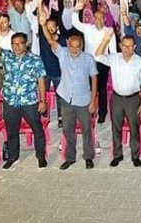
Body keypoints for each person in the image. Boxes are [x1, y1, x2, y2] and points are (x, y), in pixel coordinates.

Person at [40, 12, 98, 170]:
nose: (74, 49)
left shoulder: (88, 59)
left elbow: (94, 80)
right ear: (68, 45)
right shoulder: (63, 53)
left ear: (82, 46)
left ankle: (88, 157)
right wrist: (43, 24)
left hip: (84, 100)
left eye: (77, 47)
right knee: (67, 129)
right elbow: (50, 40)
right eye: (72, 46)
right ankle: (70, 157)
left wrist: (93, 102)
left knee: (86, 130)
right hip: (66, 99)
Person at [0, 20, 47, 170]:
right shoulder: (7, 57)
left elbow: (41, 81)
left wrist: (42, 101)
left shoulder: (35, 60)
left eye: (20, 43)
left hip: (29, 101)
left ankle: (40, 155)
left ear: (26, 44)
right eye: (13, 44)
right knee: (12, 131)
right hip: (10, 102)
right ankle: (13, 156)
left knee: (37, 130)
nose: (16, 46)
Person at [95, 33, 141, 167]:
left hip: (133, 99)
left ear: (134, 47)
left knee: (134, 128)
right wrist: (105, 40)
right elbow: (97, 56)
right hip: (117, 98)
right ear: (120, 46)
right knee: (116, 128)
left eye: (130, 47)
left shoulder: (140, 62)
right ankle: (117, 155)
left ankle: (135, 156)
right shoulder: (114, 58)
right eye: (124, 46)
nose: (127, 49)